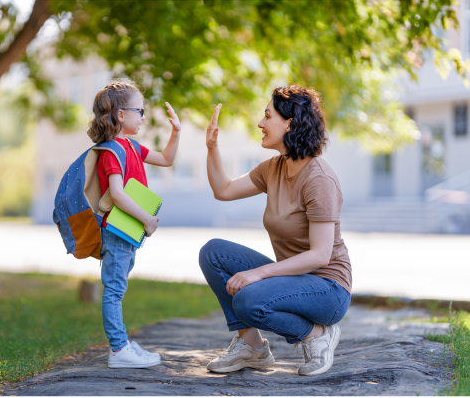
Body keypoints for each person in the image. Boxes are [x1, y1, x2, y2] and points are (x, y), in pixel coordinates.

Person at [199, 85, 352, 376]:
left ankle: (316, 335)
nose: (260, 123)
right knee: (213, 253)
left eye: (267, 116)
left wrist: (258, 273)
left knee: (248, 300)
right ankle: (252, 348)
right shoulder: (274, 168)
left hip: (328, 289)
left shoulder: (319, 178)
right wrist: (212, 148)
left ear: (289, 123)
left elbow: (320, 255)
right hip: (292, 278)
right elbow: (224, 189)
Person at [88, 79, 182, 368]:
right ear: (120, 115)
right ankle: (118, 350)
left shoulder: (131, 146)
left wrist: (176, 132)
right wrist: (147, 220)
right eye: (139, 111)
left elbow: (166, 159)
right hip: (116, 231)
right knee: (114, 290)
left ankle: (122, 343)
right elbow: (116, 194)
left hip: (126, 231)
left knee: (119, 287)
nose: (143, 116)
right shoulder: (112, 151)